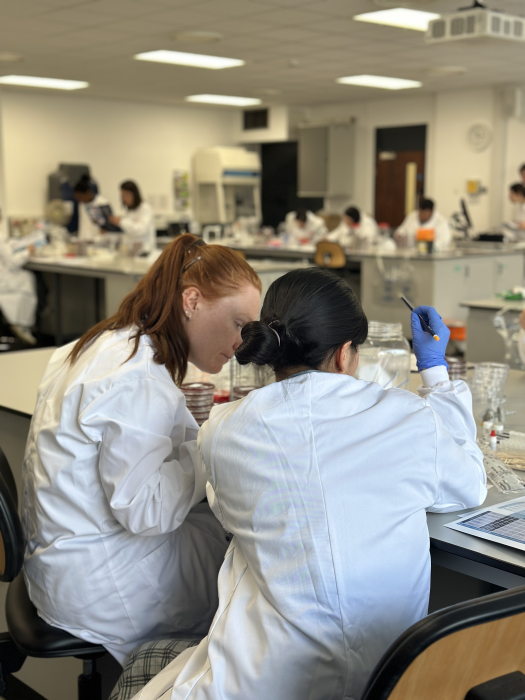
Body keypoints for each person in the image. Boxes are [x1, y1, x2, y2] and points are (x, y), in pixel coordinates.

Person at [111, 267, 486, 700]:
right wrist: (435, 372)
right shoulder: (407, 418)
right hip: (386, 683)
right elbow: (470, 485)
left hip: (263, 680)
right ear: (346, 353)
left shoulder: (224, 429)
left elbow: (232, 507)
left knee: (149, 664)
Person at [22, 234, 262, 667]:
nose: (242, 344)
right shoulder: (137, 376)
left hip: (61, 567)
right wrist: (214, 443)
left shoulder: (110, 343)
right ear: (192, 301)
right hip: (98, 588)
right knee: (249, 581)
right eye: (239, 325)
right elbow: (146, 510)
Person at [0, 237, 37, 345]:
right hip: (4, 281)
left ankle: (21, 324)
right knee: (28, 279)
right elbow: (13, 263)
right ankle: (21, 324)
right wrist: (27, 252)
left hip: (5, 280)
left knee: (27, 278)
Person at [107, 180, 156, 256]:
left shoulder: (145, 208)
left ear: (135, 194)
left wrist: (121, 222)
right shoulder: (129, 211)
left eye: (126, 195)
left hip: (145, 252)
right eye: (122, 196)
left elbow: (140, 229)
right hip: (133, 252)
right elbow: (128, 232)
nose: (124, 199)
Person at [73, 174, 112, 240]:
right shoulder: (82, 205)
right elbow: (83, 226)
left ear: (88, 192)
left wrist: (95, 240)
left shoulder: (102, 203)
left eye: (81, 197)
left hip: (98, 243)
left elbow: (107, 228)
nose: (80, 200)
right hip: (83, 242)